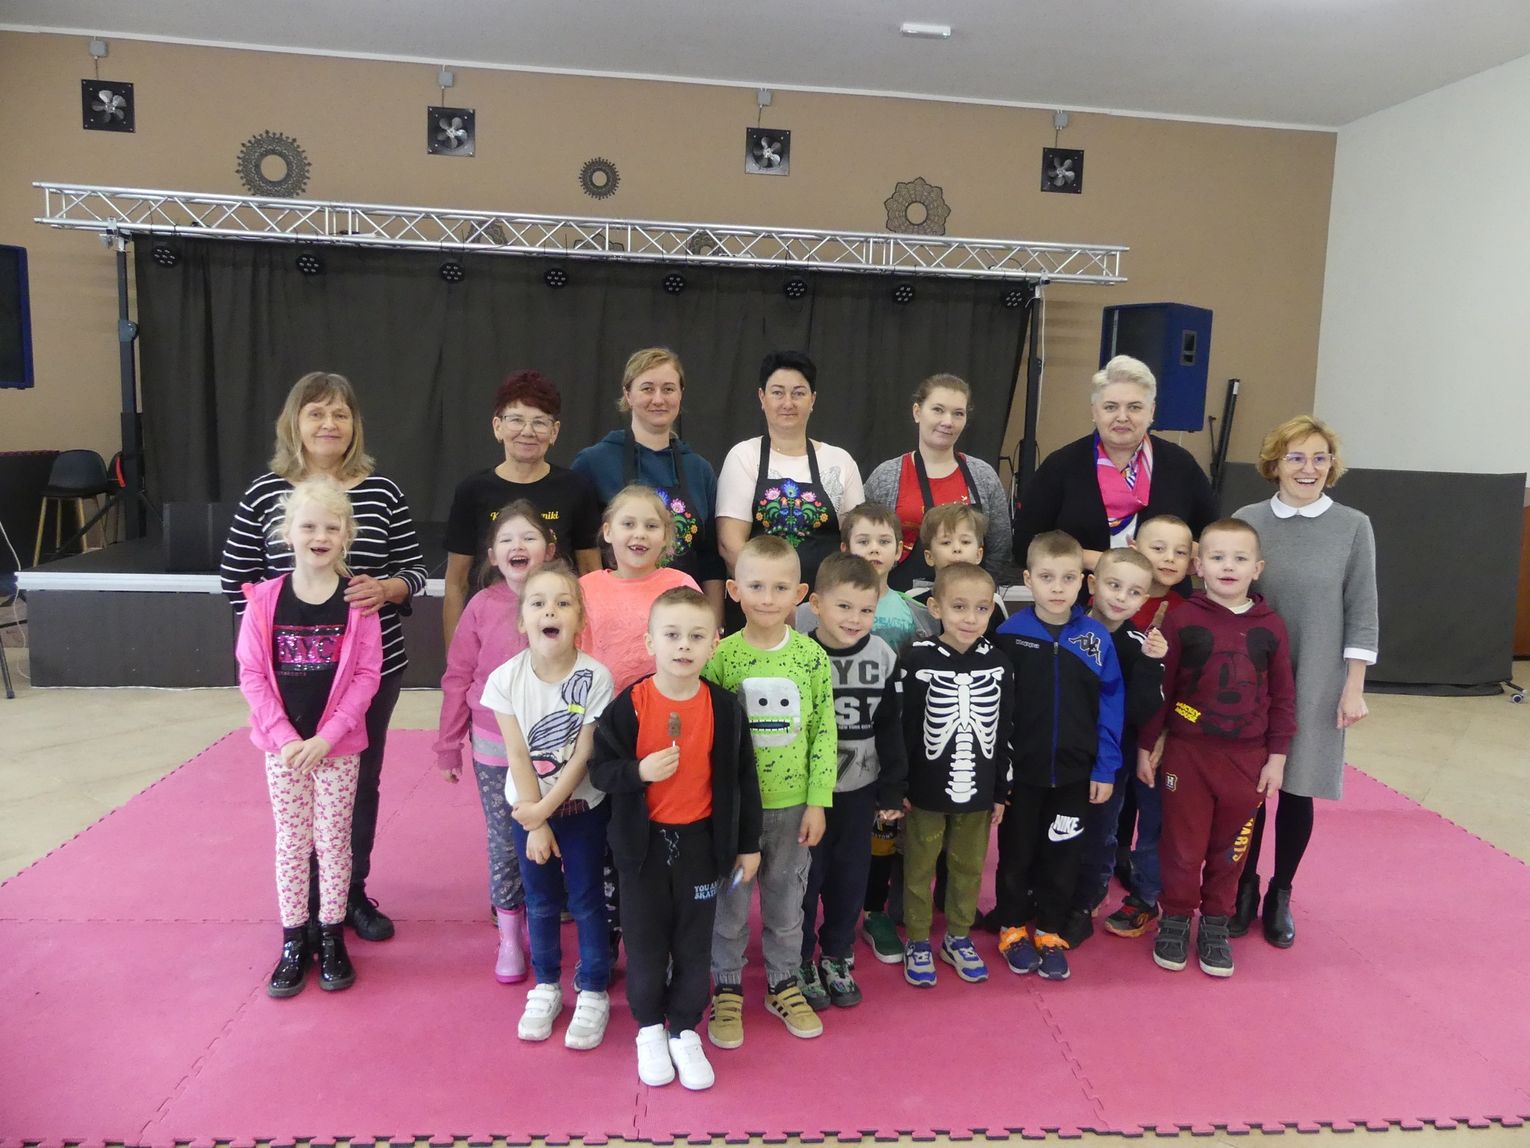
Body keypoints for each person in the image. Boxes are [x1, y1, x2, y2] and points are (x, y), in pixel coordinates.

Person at [221, 371, 426, 943]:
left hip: (369, 674)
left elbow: (415, 572)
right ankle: (303, 902)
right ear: (294, 423)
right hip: (289, 679)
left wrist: (387, 588)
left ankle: (348, 894)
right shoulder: (264, 493)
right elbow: (236, 579)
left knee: (358, 783)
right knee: (295, 787)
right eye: (316, 413)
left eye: (340, 413)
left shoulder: (382, 492)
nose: (328, 424)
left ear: (355, 424)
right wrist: (274, 647)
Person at [591, 588, 763, 1091]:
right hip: (641, 851)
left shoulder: (724, 708)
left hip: (700, 847)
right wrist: (638, 771)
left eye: (695, 636)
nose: (683, 645)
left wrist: (748, 844)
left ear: (714, 643)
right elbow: (600, 771)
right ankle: (648, 1026)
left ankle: (684, 1028)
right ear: (650, 642)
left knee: (693, 943)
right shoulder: (631, 705)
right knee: (645, 941)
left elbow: (744, 780)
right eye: (671, 635)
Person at [233, 478, 383, 997]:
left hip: (337, 749)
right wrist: (284, 738)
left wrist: (328, 736)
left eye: (331, 527)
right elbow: (251, 673)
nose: (320, 536)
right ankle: (294, 938)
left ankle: (331, 933)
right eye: (309, 526)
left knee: (334, 842)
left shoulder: (358, 602)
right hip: (285, 751)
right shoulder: (263, 600)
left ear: (346, 535)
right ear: (287, 533)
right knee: (292, 844)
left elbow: (367, 675)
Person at [1233, 416, 1378, 948]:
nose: (1308, 468)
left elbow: (1362, 608)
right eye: (1296, 457)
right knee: (1247, 789)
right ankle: (1241, 887)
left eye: (1319, 458)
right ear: (1275, 464)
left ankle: (1280, 893)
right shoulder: (1247, 521)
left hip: (1317, 675)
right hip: (1248, 679)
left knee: (1298, 787)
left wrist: (1354, 686)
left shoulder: (1353, 526)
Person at [1137, 519, 1296, 977]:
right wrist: (1148, 744)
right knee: (1182, 848)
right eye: (1218, 557)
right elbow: (1163, 688)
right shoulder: (1183, 619)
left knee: (1230, 851)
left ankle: (1215, 923)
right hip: (1188, 754)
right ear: (1198, 566)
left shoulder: (1271, 627)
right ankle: (1175, 918)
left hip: (1247, 762)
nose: (1229, 566)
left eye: (1240, 558)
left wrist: (1277, 757)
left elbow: (1283, 697)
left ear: (1257, 568)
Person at [702, 534, 836, 1047]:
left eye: (781, 588)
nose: (767, 597)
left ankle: (783, 982)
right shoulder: (722, 658)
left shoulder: (811, 657)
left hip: (793, 809)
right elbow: (708, 732)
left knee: (787, 903)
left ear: (799, 594)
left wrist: (818, 800)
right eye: (756, 586)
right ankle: (727, 986)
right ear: (734, 590)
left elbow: (824, 731)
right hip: (737, 813)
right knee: (730, 904)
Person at [480, 565, 616, 1048]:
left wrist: (547, 813)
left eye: (562, 602)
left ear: (580, 619)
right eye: (537, 603)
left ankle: (594, 988)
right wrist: (536, 821)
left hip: (582, 812)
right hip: (528, 812)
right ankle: (546, 984)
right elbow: (517, 755)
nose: (549, 611)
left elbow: (582, 756)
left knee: (587, 899)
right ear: (523, 621)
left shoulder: (596, 677)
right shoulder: (505, 679)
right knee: (540, 902)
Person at [433, 501, 555, 983]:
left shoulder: (566, 600)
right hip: (494, 745)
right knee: (506, 840)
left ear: (549, 549)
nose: (517, 546)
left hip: (555, 746)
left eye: (528, 537)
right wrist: (448, 744)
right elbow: (458, 675)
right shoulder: (482, 606)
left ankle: (547, 917)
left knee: (554, 833)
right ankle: (509, 934)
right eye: (506, 539)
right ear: (492, 554)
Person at [992, 531, 1122, 982]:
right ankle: (1012, 926)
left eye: (1068, 578)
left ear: (1083, 582)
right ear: (1028, 579)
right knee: (1016, 852)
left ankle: (1049, 930)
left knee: (1063, 856)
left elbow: (1111, 705)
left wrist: (1105, 767)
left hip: (1074, 774)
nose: (1057, 587)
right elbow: (997, 708)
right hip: (1022, 773)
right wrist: (998, 770)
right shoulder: (1008, 635)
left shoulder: (1095, 639)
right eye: (1046, 577)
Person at [897, 562, 1015, 989]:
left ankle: (958, 936)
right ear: (936, 608)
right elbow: (904, 729)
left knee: (969, 867)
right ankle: (917, 938)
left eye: (981, 609)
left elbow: (1004, 731)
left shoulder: (999, 664)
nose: (970, 618)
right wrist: (899, 786)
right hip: (925, 792)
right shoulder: (916, 661)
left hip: (979, 793)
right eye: (959, 607)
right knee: (918, 866)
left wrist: (1001, 790)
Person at [796, 554, 907, 1009]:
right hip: (805, 794)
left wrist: (893, 787)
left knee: (849, 877)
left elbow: (891, 726)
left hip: (860, 790)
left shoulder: (882, 656)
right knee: (805, 879)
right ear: (817, 605)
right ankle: (800, 957)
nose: (855, 619)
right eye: (844, 607)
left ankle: (837, 953)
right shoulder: (799, 654)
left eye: (866, 610)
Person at [1011, 355, 1218, 574]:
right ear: (1094, 411)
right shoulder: (1061, 465)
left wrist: (1176, 555)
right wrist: (1090, 559)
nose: (1122, 417)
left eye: (1134, 407)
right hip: (1081, 592)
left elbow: (1214, 541)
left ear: (1152, 411)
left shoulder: (1180, 465)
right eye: (1110, 407)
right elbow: (1024, 546)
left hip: (1164, 593)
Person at [442, 370, 603, 645]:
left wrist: (591, 646)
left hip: (559, 639)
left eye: (539, 422)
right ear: (497, 426)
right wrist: (454, 656)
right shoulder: (472, 491)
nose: (527, 432)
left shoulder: (576, 488)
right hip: (491, 639)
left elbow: (591, 575)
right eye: (516, 420)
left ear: (554, 432)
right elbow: (456, 582)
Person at [571, 347, 726, 620]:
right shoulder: (593, 462)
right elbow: (582, 549)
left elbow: (711, 558)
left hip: (685, 622)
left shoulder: (699, 469)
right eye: (647, 389)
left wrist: (713, 624)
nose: (658, 399)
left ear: (680, 394)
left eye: (668, 389)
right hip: (614, 617)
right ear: (628, 394)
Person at [1070, 548, 1167, 946]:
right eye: (1113, 585)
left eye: (1133, 592)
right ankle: (1050, 884)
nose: (1121, 597)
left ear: (1144, 600)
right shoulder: (1067, 630)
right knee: (1057, 823)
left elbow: (1144, 709)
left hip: (1112, 759)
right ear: (1093, 584)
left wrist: (1151, 664)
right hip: (1065, 752)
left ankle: (1092, 891)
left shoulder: (1138, 644)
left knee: (1101, 829)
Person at [715, 350, 864, 597]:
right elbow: (730, 544)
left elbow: (857, 543)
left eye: (798, 393)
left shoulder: (840, 461)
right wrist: (773, 598)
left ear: (812, 399)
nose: (787, 403)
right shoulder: (744, 456)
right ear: (762, 397)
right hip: (760, 605)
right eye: (777, 393)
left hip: (826, 604)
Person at [863, 373, 1013, 590]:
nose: (948, 422)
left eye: (958, 413)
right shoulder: (886, 476)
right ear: (917, 412)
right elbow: (864, 542)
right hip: (899, 598)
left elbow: (1000, 548)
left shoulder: (983, 476)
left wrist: (976, 594)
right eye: (938, 410)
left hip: (967, 600)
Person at [580, 485, 701, 692]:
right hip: (597, 703)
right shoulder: (584, 588)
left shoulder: (681, 586)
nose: (640, 534)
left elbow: (703, 643)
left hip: (665, 700)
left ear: (665, 536)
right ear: (608, 531)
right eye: (628, 524)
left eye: (651, 526)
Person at [794, 503, 919, 653]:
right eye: (863, 542)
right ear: (845, 549)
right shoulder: (814, 609)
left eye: (884, 541)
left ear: (898, 550)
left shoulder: (913, 611)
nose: (874, 549)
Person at [904, 503, 1011, 640]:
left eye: (965, 542)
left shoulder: (992, 602)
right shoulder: (913, 600)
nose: (957, 548)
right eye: (946, 542)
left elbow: (1001, 648)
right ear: (929, 556)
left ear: (979, 554)